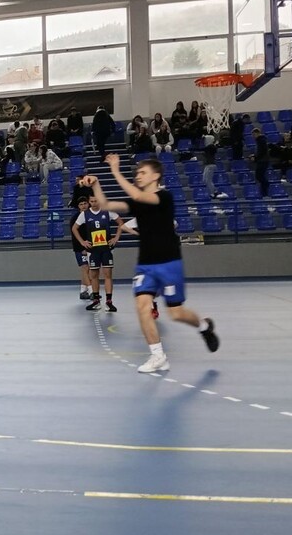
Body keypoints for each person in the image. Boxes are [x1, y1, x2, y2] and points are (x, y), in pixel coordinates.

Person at [82, 156, 218, 373]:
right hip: (145, 265)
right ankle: (158, 356)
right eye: (137, 173)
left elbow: (137, 195)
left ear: (156, 176)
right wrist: (96, 184)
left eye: (143, 172)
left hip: (169, 263)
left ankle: (204, 326)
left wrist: (115, 170)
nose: (138, 176)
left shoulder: (164, 197)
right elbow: (106, 205)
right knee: (142, 306)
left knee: (176, 313)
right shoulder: (137, 203)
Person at [72, 194, 126, 312]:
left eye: (96, 201)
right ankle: (96, 301)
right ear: (89, 202)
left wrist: (116, 238)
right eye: (92, 201)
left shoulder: (107, 211)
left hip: (106, 248)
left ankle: (109, 302)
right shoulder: (84, 214)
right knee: (94, 275)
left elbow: (121, 223)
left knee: (108, 275)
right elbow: (74, 228)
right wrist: (82, 242)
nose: (94, 203)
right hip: (93, 250)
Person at [68, 195, 95, 302]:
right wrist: (81, 247)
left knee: (89, 269)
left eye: (85, 203)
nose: (83, 206)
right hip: (80, 248)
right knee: (85, 268)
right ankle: (91, 291)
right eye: (81, 204)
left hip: (91, 247)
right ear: (78, 206)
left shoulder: (91, 216)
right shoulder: (75, 218)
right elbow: (74, 235)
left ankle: (83, 291)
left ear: (88, 204)